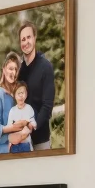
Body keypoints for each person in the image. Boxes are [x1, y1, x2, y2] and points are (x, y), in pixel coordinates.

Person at [18, 22, 55, 150]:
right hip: (21, 140)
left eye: (28, 37)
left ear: (35, 38)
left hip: (41, 139)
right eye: (23, 39)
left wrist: (31, 127)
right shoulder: (19, 71)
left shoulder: (45, 67)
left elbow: (47, 106)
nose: (26, 42)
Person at [0, 53, 30, 155]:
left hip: (22, 147)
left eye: (16, 69)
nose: (14, 72)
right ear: (4, 69)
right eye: (10, 69)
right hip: (4, 151)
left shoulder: (17, 93)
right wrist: (11, 130)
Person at [6, 82, 36, 153]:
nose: (21, 96)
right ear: (14, 95)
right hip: (14, 145)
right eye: (18, 93)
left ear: (26, 94)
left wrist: (25, 125)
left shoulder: (29, 108)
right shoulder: (12, 110)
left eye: (23, 93)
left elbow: (31, 127)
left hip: (26, 144)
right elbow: (9, 128)